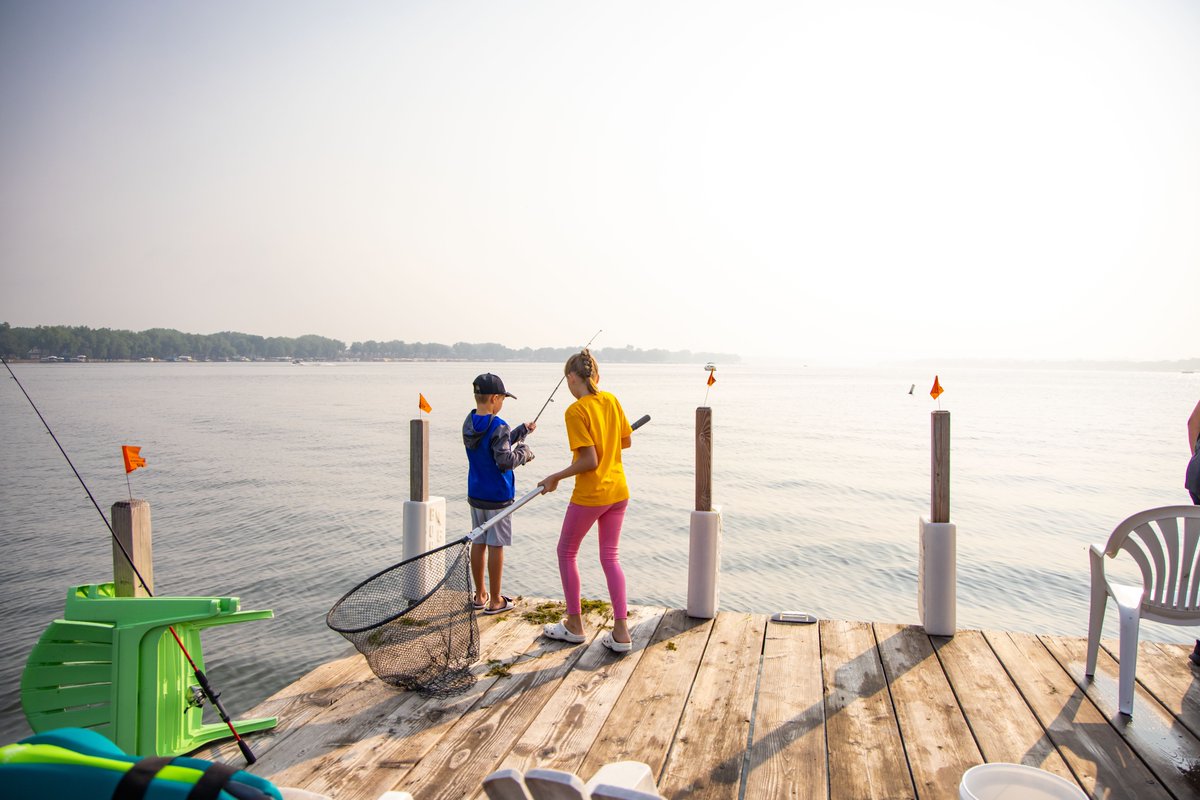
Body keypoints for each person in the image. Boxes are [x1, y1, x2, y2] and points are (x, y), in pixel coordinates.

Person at [538, 349, 635, 653]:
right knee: (610, 558)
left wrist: (555, 476)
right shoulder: (611, 400)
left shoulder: (576, 410)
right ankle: (621, 633)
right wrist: (606, 438)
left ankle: (574, 625)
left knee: (566, 552)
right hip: (618, 491)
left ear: (571, 378)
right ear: (596, 376)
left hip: (591, 494)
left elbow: (590, 461)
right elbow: (625, 441)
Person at [463, 372, 535, 615]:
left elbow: (493, 443)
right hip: (498, 496)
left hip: (476, 493)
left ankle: (479, 595)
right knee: (496, 545)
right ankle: (495, 600)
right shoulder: (498, 425)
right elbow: (504, 460)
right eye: (503, 398)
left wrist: (519, 432)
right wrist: (524, 452)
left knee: (479, 541)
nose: (503, 403)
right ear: (494, 398)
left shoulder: (469, 422)